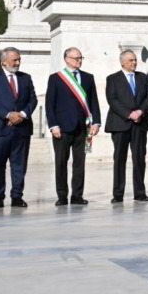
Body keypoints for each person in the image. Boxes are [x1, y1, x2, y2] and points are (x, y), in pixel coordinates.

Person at [45, 46, 101, 205]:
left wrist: (96, 122)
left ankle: (77, 195)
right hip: (61, 129)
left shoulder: (88, 77)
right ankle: (62, 196)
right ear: (67, 59)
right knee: (61, 163)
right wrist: (53, 125)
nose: (80, 61)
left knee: (79, 163)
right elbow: (50, 104)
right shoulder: (56, 78)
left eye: (81, 58)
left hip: (83, 128)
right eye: (77, 58)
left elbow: (93, 101)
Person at [0, 47, 37, 209]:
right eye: (15, 60)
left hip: (22, 128)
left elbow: (33, 100)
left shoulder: (26, 78)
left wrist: (22, 115)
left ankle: (17, 196)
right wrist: (8, 115)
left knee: (19, 165)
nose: (18, 62)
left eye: (19, 59)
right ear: (4, 61)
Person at [104, 50, 148, 203]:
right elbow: (112, 100)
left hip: (140, 124)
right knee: (119, 159)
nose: (134, 62)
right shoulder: (113, 79)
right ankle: (118, 194)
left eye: (135, 60)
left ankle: (140, 193)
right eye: (131, 60)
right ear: (122, 62)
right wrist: (129, 114)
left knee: (139, 159)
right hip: (120, 124)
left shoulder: (143, 77)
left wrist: (140, 111)